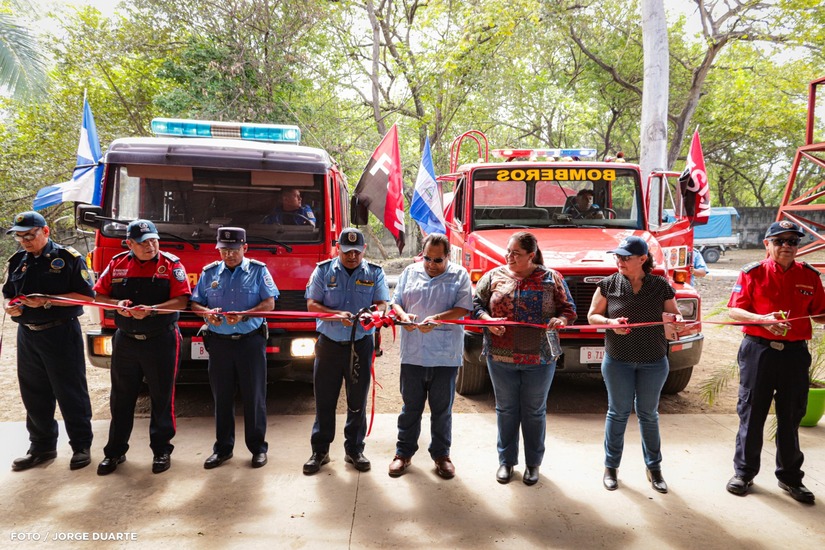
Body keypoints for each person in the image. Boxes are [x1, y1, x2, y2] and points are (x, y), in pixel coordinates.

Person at [725, 221, 825, 504]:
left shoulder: (810, 276)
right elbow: (734, 310)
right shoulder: (752, 273)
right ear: (766, 245)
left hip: (794, 355)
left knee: (791, 416)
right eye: (779, 241)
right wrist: (762, 320)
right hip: (759, 352)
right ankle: (744, 473)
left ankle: (791, 478)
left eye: (792, 241)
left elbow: (820, 313)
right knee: (752, 413)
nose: (786, 246)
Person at [472, 231, 576, 485]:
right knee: (506, 410)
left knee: (533, 411)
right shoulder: (493, 276)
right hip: (501, 356)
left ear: (531, 255)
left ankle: (533, 464)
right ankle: (506, 462)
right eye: (508, 251)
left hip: (539, 359)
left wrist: (560, 320)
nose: (509, 256)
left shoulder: (551, 278)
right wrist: (488, 321)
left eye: (516, 253)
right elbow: (475, 305)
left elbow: (569, 310)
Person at [93, 219, 191, 475]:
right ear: (130, 243)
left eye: (154, 240)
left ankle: (161, 450)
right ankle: (114, 452)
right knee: (121, 398)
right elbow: (98, 296)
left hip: (161, 339)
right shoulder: (117, 264)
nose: (151, 246)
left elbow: (182, 300)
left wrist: (152, 310)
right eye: (144, 242)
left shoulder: (170, 264)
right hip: (125, 340)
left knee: (162, 396)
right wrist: (119, 304)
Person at [587, 236, 682, 494]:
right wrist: (610, 324)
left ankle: (654, 468)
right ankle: (611, 467)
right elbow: (593, 315)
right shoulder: (608, 284)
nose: (620, 261)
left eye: (626, 257)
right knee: (617, 413)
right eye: (617, 256)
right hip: (618, 360)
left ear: (642, 259)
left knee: (648, 414)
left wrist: (677, 321)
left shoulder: (661, 285)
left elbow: (674, 315)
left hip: (654, 360)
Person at [3, 211, 95, 472]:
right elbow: (10, 294)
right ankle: (41, 447)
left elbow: (87, 297)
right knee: (34, 392)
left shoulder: (67, 259)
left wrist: (47, 300)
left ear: (45, 231)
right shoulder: (18, 260)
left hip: (60, 333)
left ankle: (81, 446)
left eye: (29, 235)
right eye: (19, 237)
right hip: (28, 334)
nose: (25, 241)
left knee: (70, 391)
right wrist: (12, 307)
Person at [302, 227, 389, 475]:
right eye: (347, 251)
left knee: (357, 399)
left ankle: (354, 449)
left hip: (360, 344)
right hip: (329, 344)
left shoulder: (375, 272)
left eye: (356, 251)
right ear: (338, 248)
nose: (352, 256)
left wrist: (375, 314)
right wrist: (335, 314)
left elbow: (382, 303)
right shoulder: (323, 271)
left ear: (363, 250)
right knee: (325, 399)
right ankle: (320, 451)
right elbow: (311, 304)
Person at [190, 227, 278, 470]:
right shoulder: (209, 273)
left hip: (250, 342)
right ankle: (223, 449)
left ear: (245, 248)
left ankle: (258, 448)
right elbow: (196, 303)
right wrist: (208, 314)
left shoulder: (258, 271)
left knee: (254, 397)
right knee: (222, 397)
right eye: (224, 250)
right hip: (219, 344)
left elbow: (269, 303)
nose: (228, 255)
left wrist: (245, 315)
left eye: (234, 250)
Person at [388, 233, 473, 479]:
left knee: (442, 410)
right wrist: (404, 317)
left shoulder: (459, 276)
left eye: (438, 260)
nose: (431, 265)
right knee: (410, 408)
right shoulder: (409, 272)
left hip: (444, 356)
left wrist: (437, 318)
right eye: (427, 259)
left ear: (448, 256)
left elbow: (463, 309)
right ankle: (403, 454)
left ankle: (441, 455)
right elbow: (397, 302)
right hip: (413, 355)